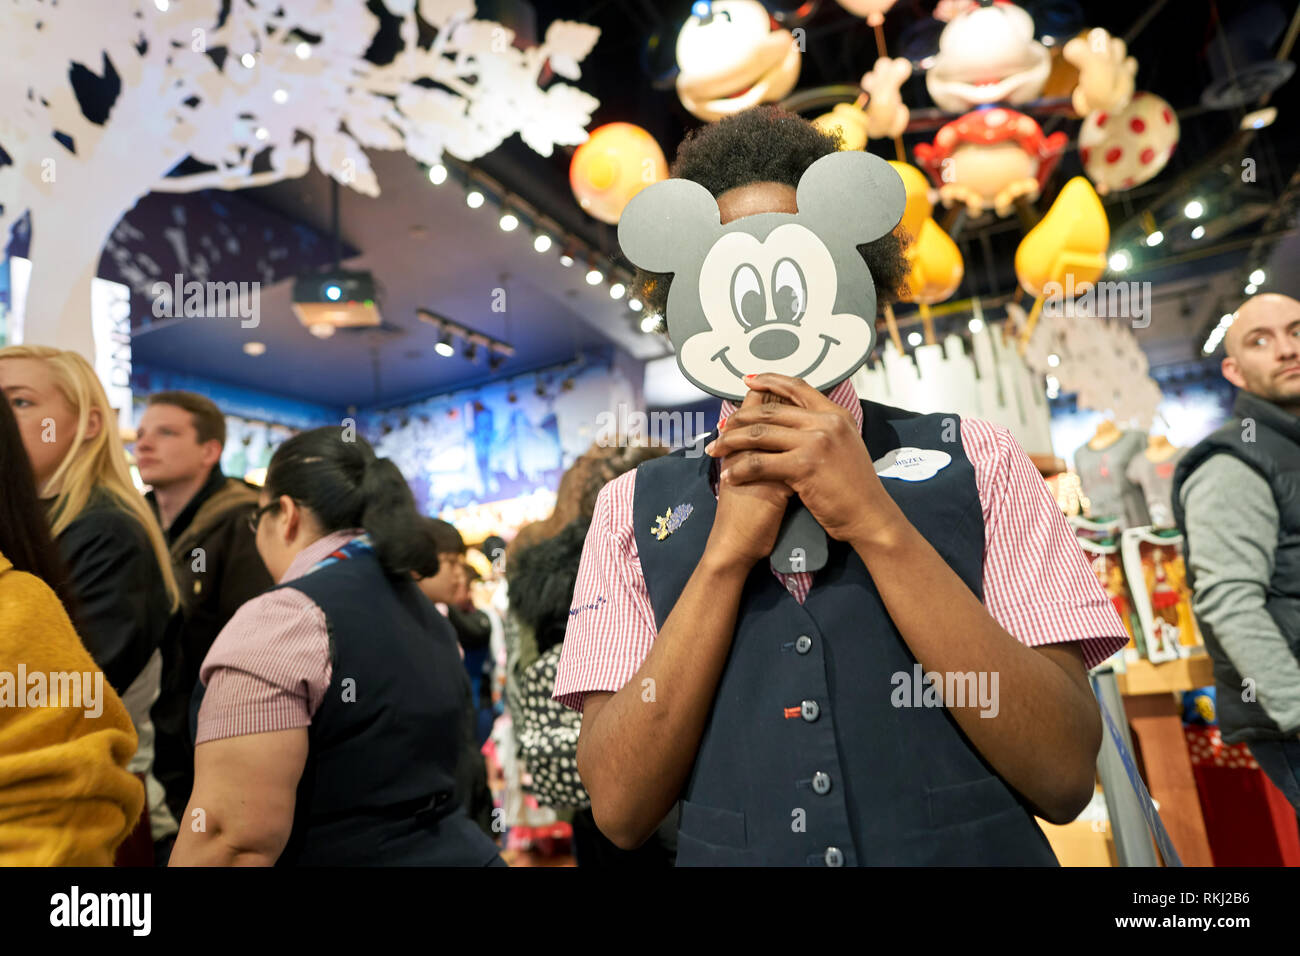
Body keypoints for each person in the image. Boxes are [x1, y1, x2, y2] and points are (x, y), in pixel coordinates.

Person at [553, 107, 1130, 866]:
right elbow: (620, 809)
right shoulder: (631, 509)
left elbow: (1063, 774)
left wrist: (877, 522)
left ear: (856, 266)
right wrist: (722, 559)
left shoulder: (979, 458)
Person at [169, 427, 503, 865]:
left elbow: (228, 838)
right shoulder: (422, 609)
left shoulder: (284, 619)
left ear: (285, 514)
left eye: (257, 519)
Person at [0, 344, 180, 864]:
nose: (3, 417)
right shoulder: (47, 526)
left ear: (90, 423)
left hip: (86, 812)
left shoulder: (107, 532)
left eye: (20, 401)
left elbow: (71, 698)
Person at [507, 442, 672, 866]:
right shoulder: (675, 551)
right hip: (680, 778)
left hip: (592, 787)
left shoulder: (539, 573)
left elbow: (526, 672)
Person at [1172, 292, 1300, 811]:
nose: (1287, 349)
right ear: (1235, 371)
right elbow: (1228, 599)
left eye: (1297, 331)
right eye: (1260, 340)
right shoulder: (1232, 462)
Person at [135, 390, 273, 823]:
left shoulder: (244, 521)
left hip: (211, 747)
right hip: (141, 742)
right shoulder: (130, 523)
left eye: (167, 432)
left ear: (209, 451)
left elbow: (250, 650)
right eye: (141, 433)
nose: (144, 443)